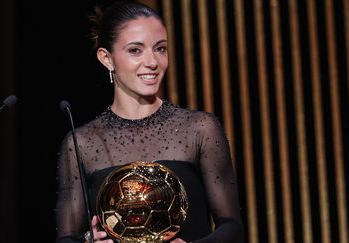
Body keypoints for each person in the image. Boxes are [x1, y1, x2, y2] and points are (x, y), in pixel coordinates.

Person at [55, 1, 244, 242]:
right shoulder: (81, 143)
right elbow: (66, 238)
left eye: (160, 48)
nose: (153, 62)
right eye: (135, 50)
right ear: (107, 58)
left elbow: (233, 227)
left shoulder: (199, 129)